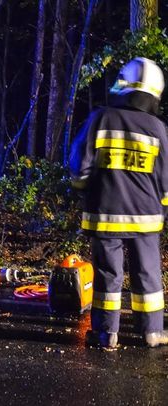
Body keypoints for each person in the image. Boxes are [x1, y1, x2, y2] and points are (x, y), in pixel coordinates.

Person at [70, 57, 168, 348]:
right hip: (146, 217)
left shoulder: (101, 118)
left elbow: (79, 165)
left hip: (105, 214)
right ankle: (152, 332)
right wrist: (161, 205)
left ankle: (106, 333)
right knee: (148, 274)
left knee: (108, 276)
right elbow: (165, 178)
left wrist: (84, 187)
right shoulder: (158, 128)